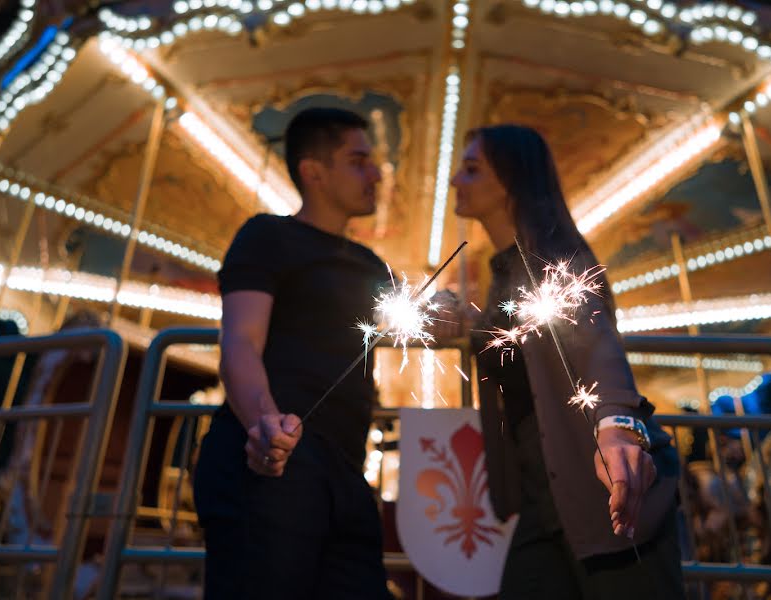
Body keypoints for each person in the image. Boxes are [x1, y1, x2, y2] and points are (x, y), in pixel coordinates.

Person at [445, 124, 684, 598]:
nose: (456, 180)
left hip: (592, 479)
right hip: (540, 493)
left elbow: (595, 340)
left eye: (472, 169)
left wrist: (617, 421)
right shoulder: (503, 273)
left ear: (512, 179)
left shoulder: (556, 256)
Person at [193, 107, 392, 599]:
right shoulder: (268, 236)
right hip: (273, 460)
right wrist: (264, 421)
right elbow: (240, 340)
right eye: (358, 160)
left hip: (346, 469)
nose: (375, 173)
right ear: (314, 172)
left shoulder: (372, 265)